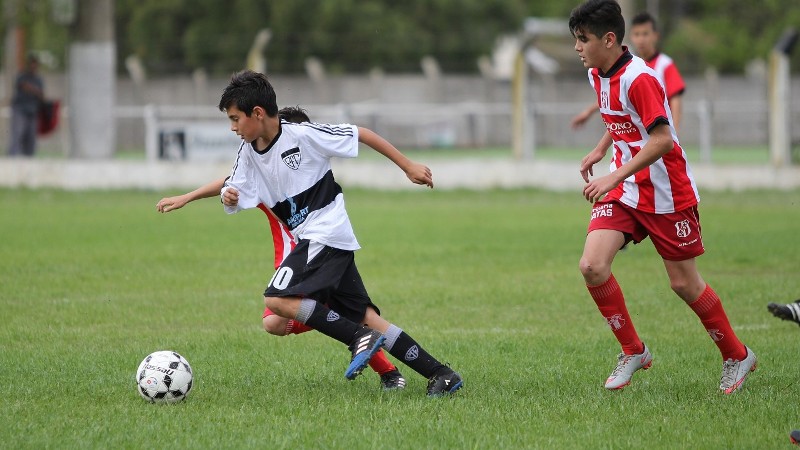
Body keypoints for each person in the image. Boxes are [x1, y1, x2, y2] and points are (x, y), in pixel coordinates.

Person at [217, 71, 462, 397]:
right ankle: (441, 374)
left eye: (235, 119)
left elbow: (360, 133)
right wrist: (229, 196)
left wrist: (407, 166)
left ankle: (357, 338)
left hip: (324, 233)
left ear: (257, 113)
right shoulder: (248, 152)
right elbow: (232, 184)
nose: (233, 127)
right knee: (368, 318)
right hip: (325, 241)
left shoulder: (303, 135)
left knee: (276, 299)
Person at [568, 0, 756, 393]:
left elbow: (663, 140)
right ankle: (633, 350)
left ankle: (737, 355)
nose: (577, 47)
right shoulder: (596, 73)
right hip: (625, 189)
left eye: (583, 39)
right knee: (592, 266)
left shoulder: (641, 78)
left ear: (608, 39)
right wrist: (601, 149)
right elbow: (620, 116)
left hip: (667, 192)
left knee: (684, 284)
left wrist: (612, 175)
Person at [156, 106, 407, 391]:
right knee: (275, 323)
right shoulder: (264, 177)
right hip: (290, 260)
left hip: (317, 252)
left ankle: (388, 371)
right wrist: (187, 197)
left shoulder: (302, 173)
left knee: (317, 316)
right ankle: (344, 324)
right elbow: (228, 183)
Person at [570, 11, 685, 133]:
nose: (641, 39)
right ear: (631, 36)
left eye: (645, 34)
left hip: (657, 130)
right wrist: (588, 112)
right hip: (635, 132)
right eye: (637, 34)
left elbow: (675, 99)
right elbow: (616, 99)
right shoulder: (623, 66)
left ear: (655, 36)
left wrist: (675, 130)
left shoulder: (664, 64)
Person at [9, 55, 45, 157]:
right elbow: (24, 86)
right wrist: (35, 90)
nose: (33, 66)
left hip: (33, 110)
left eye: (35, 64)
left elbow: (42, 95)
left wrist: (34, 90)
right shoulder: (22, 76)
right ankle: (13, 156)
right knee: (18, 132)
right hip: (20, 109)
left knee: (31, 136)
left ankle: (29, 158)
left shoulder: (38, 79)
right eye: (32, 64)